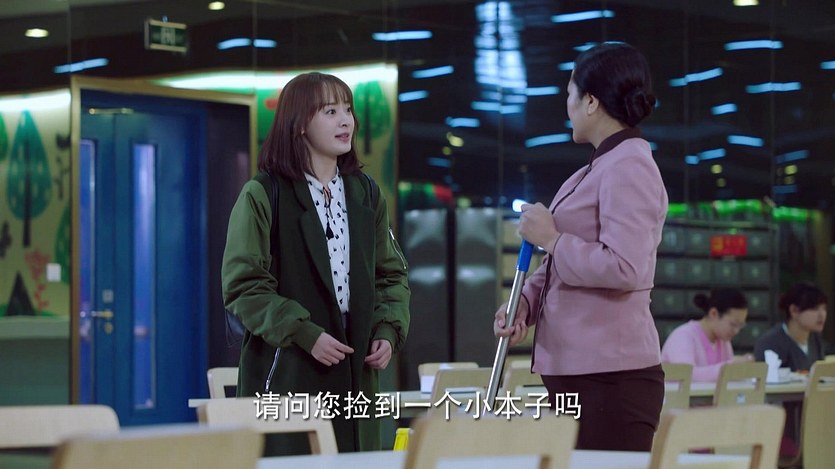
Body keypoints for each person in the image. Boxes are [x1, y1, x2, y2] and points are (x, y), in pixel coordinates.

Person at [221, 72, 410, 454]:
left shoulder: (366, 193)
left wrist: (387, 330)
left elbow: (391, 275)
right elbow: (244, 287)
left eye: (348, 110)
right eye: (330, 111)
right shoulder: (263, 194)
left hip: (358, 366)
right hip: (289, 364)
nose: (346, 121)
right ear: (299, 124)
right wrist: (305, 333)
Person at [493, 42, 667, 452]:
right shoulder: (596, 168)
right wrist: (524, 303)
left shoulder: (629, 166)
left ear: (591, 101)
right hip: (585, 376)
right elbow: (560, 263)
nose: (566, 105)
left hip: (611, 379)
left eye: (569, 93)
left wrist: (552, 238)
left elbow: (624, 267)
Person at [660, 288, 753, 382]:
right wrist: (729, 367)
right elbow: (687, 376)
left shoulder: (724, 341)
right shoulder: (683, 336)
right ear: (714, 313)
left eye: (740, 326)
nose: (736, 331)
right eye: (733, 324)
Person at [754, 282, 828, 372]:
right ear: (794, 310)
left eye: (824, 308)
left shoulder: (815, 338)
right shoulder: (770, 342)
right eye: (814, 309)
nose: (822, 315)